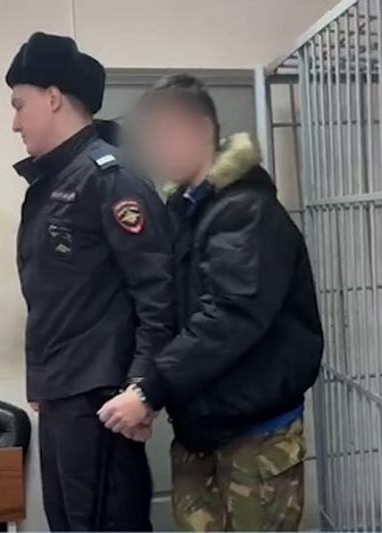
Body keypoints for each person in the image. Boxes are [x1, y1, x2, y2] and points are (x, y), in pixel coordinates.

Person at [98, 74, 323, 531]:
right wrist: (148, 392)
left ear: (202, 131)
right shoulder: (185, 212)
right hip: (199, 430)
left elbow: (229, 318)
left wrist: (150, 391)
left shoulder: (246, 211)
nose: (155, 150)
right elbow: (173, 314)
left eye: (164, 134)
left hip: (255, 437)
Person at [8, 32, 174, 531]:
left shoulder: (109, 179)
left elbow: (157, 294)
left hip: (100, 399)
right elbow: (55, 297)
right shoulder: (54, 183)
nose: (14, 123)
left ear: (52, 97)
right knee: (68, 522)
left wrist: (142, 389)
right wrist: (43, 381)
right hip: (63, 392)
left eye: (19, 105)